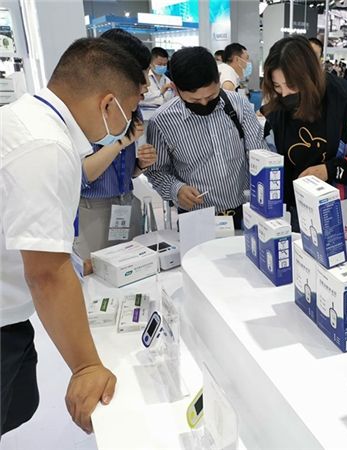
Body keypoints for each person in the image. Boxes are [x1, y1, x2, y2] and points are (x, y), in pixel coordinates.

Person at [1, 37, 144, 436]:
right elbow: (45, 272)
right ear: (108, 104)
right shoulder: (46, 146)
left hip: (10, 314)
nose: (129, 123)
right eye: (130, 110)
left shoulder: (27, 118)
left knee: (19, 404)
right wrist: (86, 366)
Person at [261, 36, 347, 230]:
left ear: (309, 75)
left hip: (340, 211)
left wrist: (328, 170)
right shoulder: (277, 107)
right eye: (277, 86)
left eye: (291, 85)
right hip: (293, 210)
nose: (285, 94)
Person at [146, 46, 265, 229]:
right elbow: (156, 171)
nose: (203, 103)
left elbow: (259, 155)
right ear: (176, 89)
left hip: (243, 212)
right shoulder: (162, 122)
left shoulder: (239, 105)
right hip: (196, 217)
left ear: (218, 79)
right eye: (194, 100)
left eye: (211, 97)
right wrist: (176, 189)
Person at [75, 28, 158, 261]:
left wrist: (140, 165)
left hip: (126, 202)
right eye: (142, 74)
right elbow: (82, 175)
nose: (146, 84)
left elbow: (127, 171)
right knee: (94, 274)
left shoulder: (130, 107)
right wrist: (121, 142)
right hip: (92, 210)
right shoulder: (85, 112)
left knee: (133, 269)